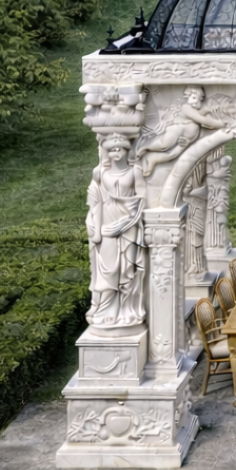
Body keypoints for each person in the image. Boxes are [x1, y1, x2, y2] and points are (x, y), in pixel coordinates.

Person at [86, 134, 146, 328]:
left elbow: (143, 199)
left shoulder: (135, 171)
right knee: (108, 269)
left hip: (129, 226)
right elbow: (98, 204)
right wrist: (97, 229)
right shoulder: (101, 174)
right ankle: (106, 309)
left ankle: (128, 310)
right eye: (111, 149)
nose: (115, 153)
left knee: (128, 269)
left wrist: (127, 223)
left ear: (127, 150)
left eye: (119, 149)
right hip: (108, 226)